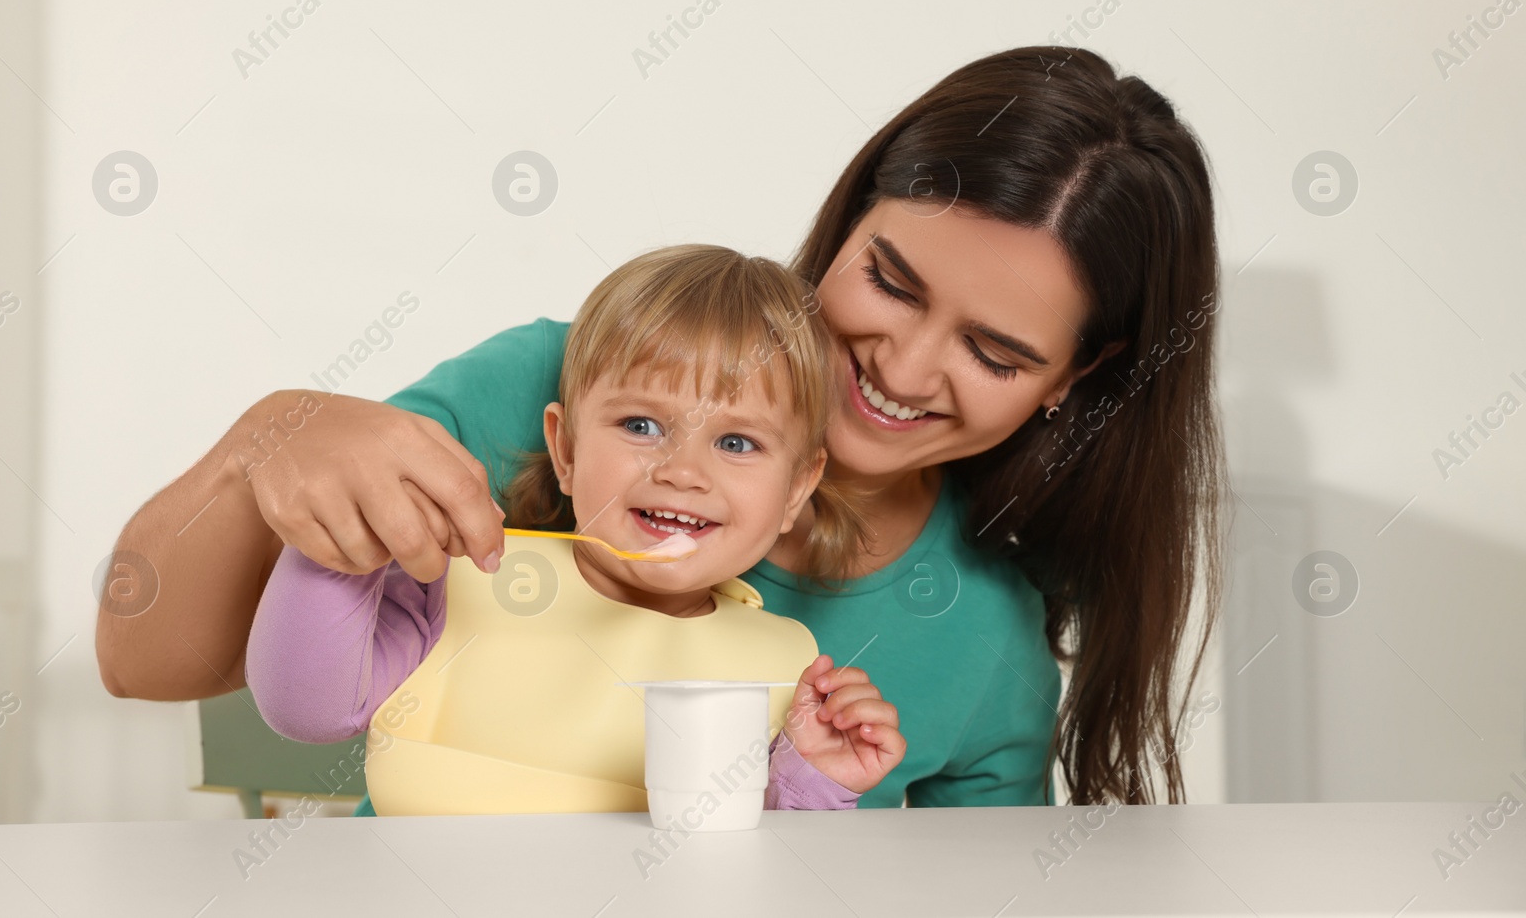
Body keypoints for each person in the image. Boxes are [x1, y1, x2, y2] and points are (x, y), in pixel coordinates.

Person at [98, 45, 1224, 806]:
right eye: (889, 277)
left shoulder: (982, 643)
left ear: (1079, 376)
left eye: (995, 352)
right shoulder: (568, 386)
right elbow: (138, 657)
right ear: (849, 217)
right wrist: (273, 435)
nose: (902, 364)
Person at [243, 245, 905, 814]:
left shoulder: (787, 668)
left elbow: (756, 859)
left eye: (735, 441)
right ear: (565, 450)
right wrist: (337, 542)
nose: (682, 471)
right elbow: (306, 707)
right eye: (642, 426)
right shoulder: (460, 582)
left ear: (796, 489)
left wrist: (810, 777)